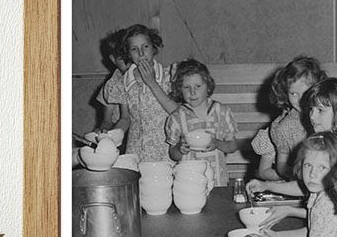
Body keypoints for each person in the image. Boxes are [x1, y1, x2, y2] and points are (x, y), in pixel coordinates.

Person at [237, 132, 337, 237]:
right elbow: (314, 234)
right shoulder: (319, 193)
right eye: (308, 165)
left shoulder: (327, 202)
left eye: (322, 167)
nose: (312, 174)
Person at [247, 75, 337, 201]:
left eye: (320, 110)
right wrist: (267, 185)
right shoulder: (320, 142)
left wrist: (292, 211)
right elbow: (309, 186)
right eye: (311, 109)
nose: (312, 117)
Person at [165, 59, 239, 186]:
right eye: (186, 87)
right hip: (189, 181)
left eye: (198, 86)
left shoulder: (222, 112)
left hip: (217, 181)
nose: (192, 92)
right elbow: (173, 154)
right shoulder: (176, 118)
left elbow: (232, 146)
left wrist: (217, 143)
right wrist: (179, 149)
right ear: (179, 90)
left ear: (208, 86)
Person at [252, 55, 325, 181]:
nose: (301, 99)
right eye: (293, 94)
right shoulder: (285, 127)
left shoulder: (327, 116)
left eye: (307, 93)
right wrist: (295, 174)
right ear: (285, 93)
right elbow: (281, 164)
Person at [114, 24, 179, 163]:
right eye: (134, 49)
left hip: (164, 150)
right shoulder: (124, 82)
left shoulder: (169, 76)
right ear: (128, 54)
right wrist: (110, 136)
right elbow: (125, 119)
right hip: (136, 150)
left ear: (154, 47)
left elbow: (178, 113)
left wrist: (152, 82)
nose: (141, 53)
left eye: (145, 47)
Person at [94, 29, 129, 129]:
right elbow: (107, 121)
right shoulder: (111, 85)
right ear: (113, 59)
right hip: (118, 132)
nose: (129, 63)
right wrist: (103, 133)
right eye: (123, 58)